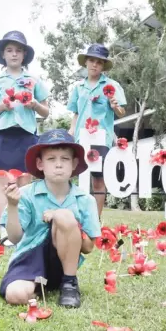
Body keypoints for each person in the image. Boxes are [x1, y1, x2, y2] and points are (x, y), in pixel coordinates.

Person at [0, 129, 101, 309]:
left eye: (65, 159)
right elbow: (14, 238)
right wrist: (13, 206)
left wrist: (63, 218)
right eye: (51, 159)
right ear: (40, 164)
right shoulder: (25, 194)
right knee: (15, 295)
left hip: (63, 265)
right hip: (29, 258)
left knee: (64, 215)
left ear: (74, 163)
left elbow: (89, 247)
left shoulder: (86, 200)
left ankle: (69, 283)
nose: (59, 165)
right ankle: (39, 285)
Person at [0, 31, 50, 242]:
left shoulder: (33, 81)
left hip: (28, 135)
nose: (14, 54)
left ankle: (23, 228)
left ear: (24, 55)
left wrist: (35, 104)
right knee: (4, 183)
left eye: (18, 50)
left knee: (25, 182)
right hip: (5, 135)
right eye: (9, 50)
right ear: (3, 54)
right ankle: (4, 231)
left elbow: (46, 112)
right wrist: (1, 106)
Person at [66, 44, 127, 218]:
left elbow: (121, 112)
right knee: (76, 177)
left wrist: (116, 106)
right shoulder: (78, 88)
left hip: (101, 138)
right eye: (91, 60)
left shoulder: (111, 86)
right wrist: (70, 132)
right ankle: (75, 217)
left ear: (103, 66)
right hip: (80, 139)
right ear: (85, 62)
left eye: (99, 62)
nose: (94, 65)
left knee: (98, 180)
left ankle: (96, 221)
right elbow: (76, 113)